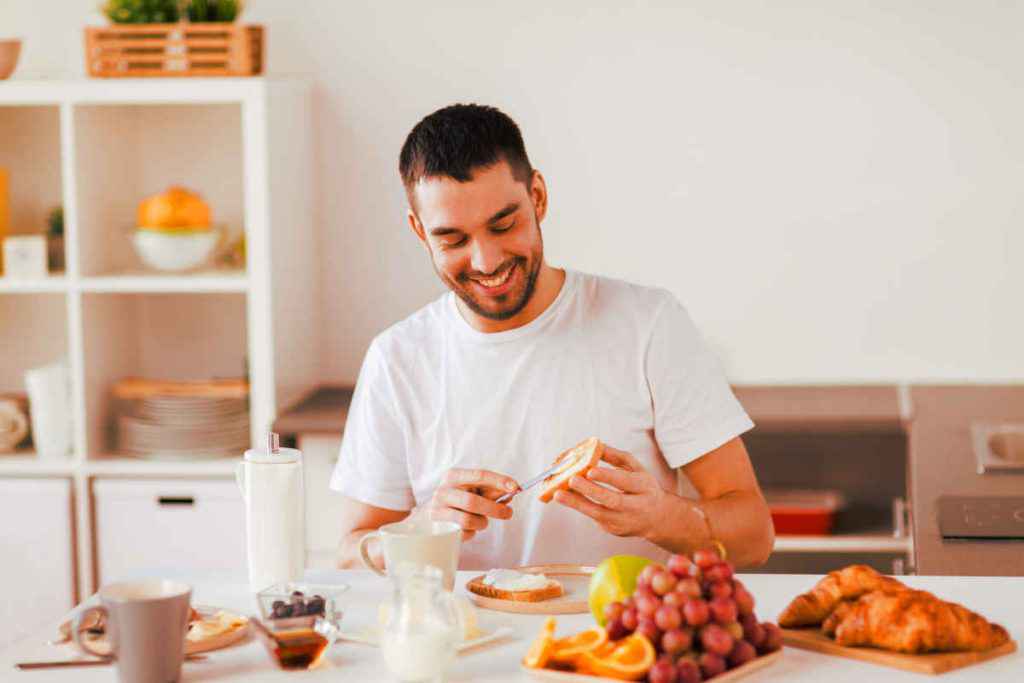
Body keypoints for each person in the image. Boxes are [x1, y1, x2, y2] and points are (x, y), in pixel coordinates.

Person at [332, 104, 773, 570]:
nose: (485, 261)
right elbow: (348, 552)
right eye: (453, 240)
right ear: (419, 231)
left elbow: (754, 537)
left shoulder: (648, 324)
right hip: (468, 639)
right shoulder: (397, 357)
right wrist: (419, 531)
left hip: (620, 636)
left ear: (537, 196)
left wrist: (661, 517)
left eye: (504, 225)